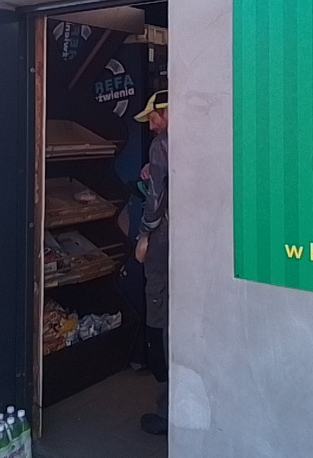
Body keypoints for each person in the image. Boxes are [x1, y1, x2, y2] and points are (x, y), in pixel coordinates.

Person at [133, 89, 169, 436]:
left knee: (160, 315)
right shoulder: (199, 138)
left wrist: (144, 233)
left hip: (165, 241)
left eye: (154, 117)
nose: (152, 125)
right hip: (193, 243)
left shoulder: (161, 145)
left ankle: (168, 410)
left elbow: (156, 199)